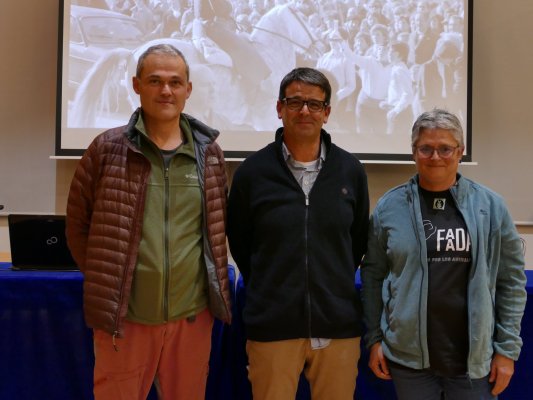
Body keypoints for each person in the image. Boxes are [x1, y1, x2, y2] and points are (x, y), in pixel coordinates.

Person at [66, 43, 232, 400]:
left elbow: (216, 230)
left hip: (191, 318)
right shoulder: (106, 149)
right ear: (136, 85)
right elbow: (78, 226)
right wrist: (109, 279)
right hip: (125, 321)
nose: (166, 90)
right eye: (155, 80)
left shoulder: (210, 155)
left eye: (175, 82)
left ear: (188, 90)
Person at [361, 109, 527, 400]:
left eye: (445, 148)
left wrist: (507, 350)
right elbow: (373, 277)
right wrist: (375, 339)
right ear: (414, 152)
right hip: (408, 360)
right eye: (426, 148)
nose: (435, 157)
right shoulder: (389, 207)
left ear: (460, 152)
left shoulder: (491, 206)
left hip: (474, 362)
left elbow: (511, 282)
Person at [227, 67, 369, 400]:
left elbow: (357, 242)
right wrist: (275, 286)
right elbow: (241, 243)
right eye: (295, 102)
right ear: (280, 108)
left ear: (327, 113)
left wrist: (327, 282)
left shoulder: (351, 170)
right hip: (273, 327)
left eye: (314, 104)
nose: (305, 110)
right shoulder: (252, 173)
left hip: (337, 328)